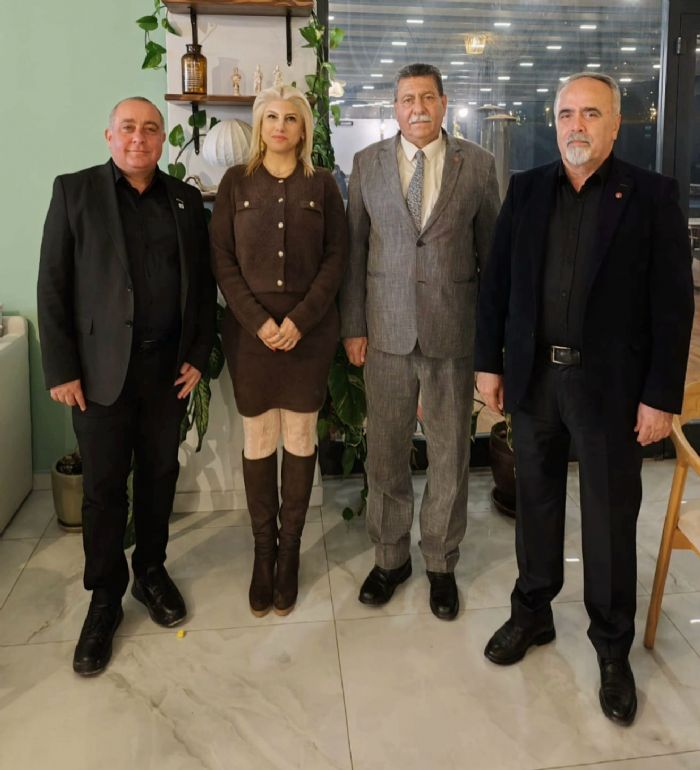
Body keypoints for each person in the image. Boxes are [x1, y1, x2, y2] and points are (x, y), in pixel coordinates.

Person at [475, 73, 693, 725]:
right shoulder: (527, 190)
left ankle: (611, 647)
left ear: (616, 124)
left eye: (591, 113)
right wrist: (489, 364)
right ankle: (532, 612)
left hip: (612, 390)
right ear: (555, 121)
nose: (576, 124)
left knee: (609, 517)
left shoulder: (652, 196)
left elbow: (673, 307)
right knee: (535, 504)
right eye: (567, 113)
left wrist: (660, 397)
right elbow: (497, 285)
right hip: (535, 379)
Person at [37, 97, 217, 676]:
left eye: (150, 129)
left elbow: (202, 286)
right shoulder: (75, 192)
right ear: (109, 136)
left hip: (167, 374)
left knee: (160, 476)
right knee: (104, 489)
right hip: (97, 376)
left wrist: (197, 356)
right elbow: (52, 284)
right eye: (128, 128)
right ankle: (105, 597)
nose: (139, 137)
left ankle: (151, 572)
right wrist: (61, 368)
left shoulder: (185, 200)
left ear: (162, 139)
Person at [339, 63, 500, 620]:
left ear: (444, 103)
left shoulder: (477, 165)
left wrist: (491, 345)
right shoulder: (367, 164)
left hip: (452, 332)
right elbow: (354, 251)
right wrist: (353, 326)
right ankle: (390, 559)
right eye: (407, 99)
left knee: (450, 453)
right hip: (384, 333)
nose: (418, 108)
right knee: (385, 451)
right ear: (395, 107)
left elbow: (492, 258)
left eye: (427, 97)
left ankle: (440, 562)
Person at [210, 85, 347, 617]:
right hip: (251, 338)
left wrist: (298, 321)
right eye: (271, 117)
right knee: (260, 438)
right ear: (259, 125)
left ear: (304, 127)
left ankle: (289, 553)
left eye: (291, 118)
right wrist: (260, 322)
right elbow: (222, 260)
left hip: (308, 336)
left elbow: (336, 259)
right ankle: (262, 554)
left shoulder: (323, 184)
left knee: (300, 437)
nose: (281, 126)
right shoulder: (235, 182)